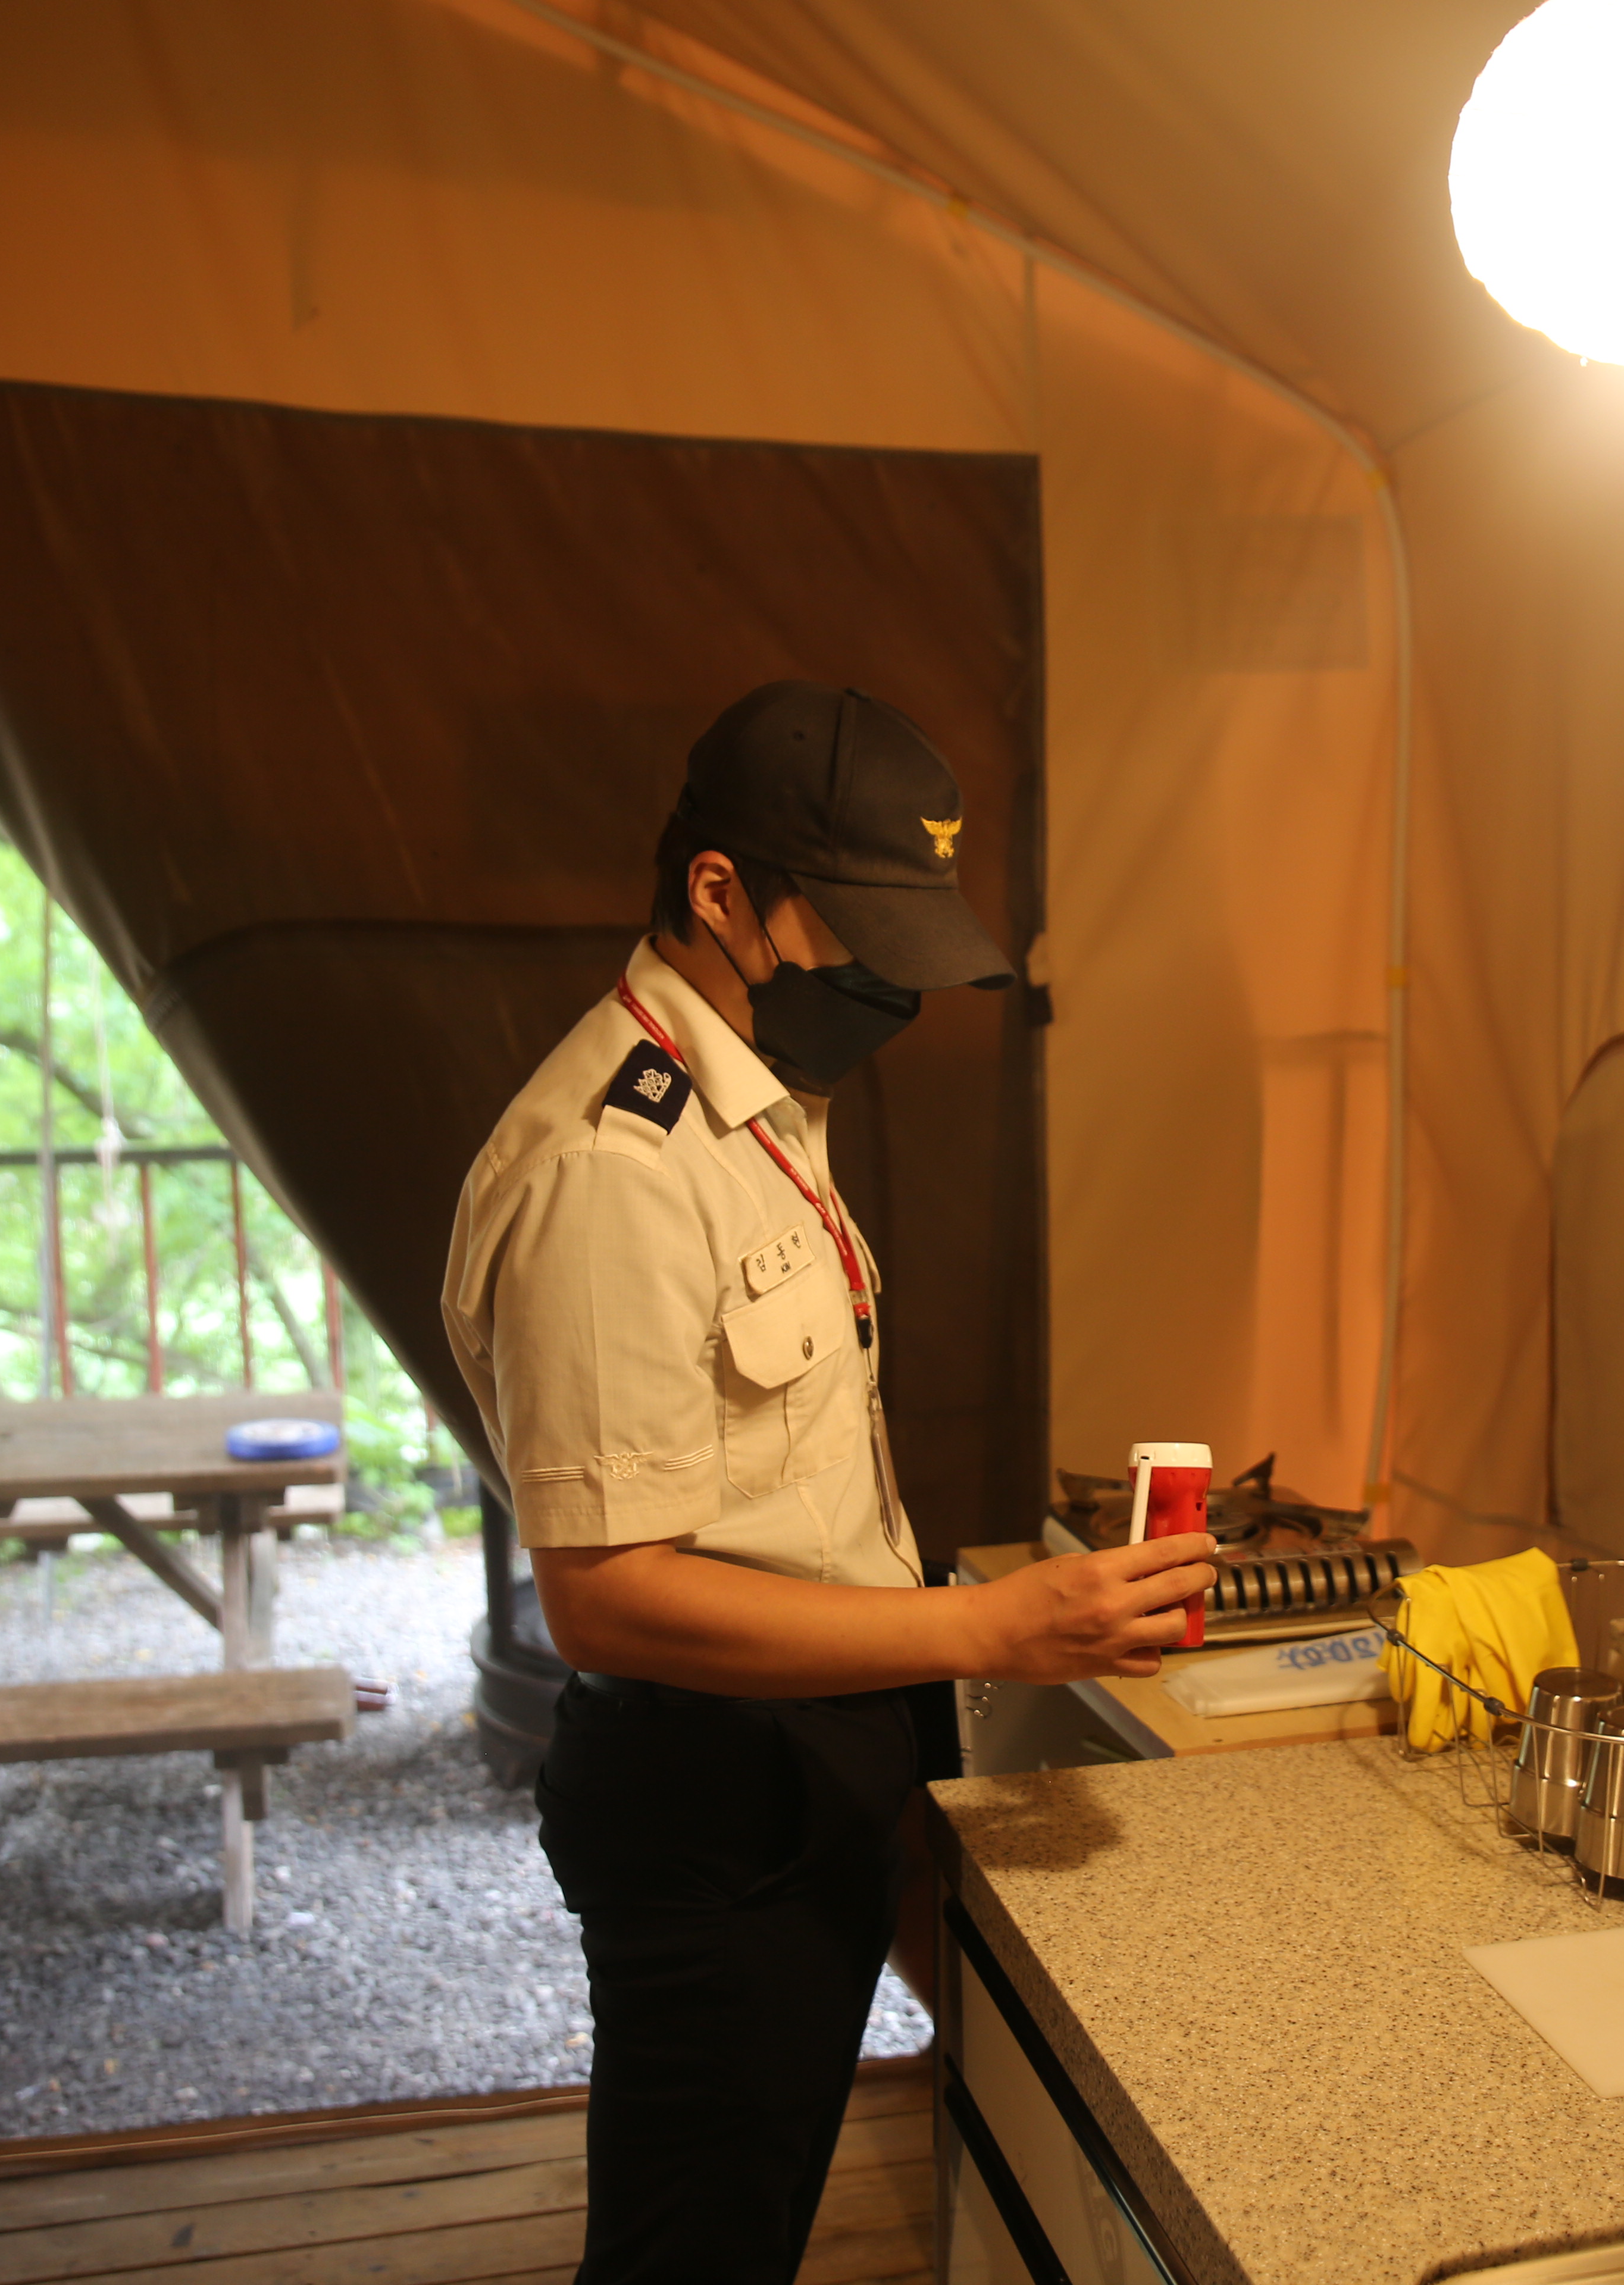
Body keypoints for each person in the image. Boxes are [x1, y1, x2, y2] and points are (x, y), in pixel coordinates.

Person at [441, 680, 1215, 2285]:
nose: (887, 980)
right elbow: (606, 1599)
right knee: (692, 2255)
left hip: (825, 1742)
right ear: (719, 893)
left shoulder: (759, 1099)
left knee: (766, 2211)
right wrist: (993, 1631)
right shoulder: (613, 1167)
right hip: (716, 1794)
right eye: (855, 931)